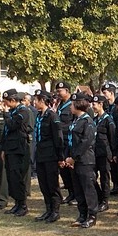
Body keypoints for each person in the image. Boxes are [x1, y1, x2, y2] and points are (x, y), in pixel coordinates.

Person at [62, 91, 98, 227]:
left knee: (88, 189)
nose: (70, 107)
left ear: (78, 105)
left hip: (85, 161)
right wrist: (67, 157)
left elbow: (85, 142)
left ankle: (92, 216)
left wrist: (74, 158)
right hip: (74, 161)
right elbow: (71, 140)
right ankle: (82, 214)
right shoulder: (75, 120)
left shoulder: (87, 121)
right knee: (78, 189)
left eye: (72, 104)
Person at [33, 90, 64, 222]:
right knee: (43, 184)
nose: (34, 102)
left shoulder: (52, 116)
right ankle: (48, 209)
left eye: (36, 100)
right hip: (40, 154)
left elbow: (58, 137)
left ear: (42, 101)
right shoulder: (39, 115)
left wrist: (60, 156)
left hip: (51, 155)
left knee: (52, 184)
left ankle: (55, 211)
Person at [2, 89, 31, 215]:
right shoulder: (13, 111)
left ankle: (22, 205)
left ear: (13, 100)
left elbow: (13, 125)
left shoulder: (23, 111)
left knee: (17, 177)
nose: (5, 105)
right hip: (10, 148)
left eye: (6, 102)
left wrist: (6, 114)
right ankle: (17, 203)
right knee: (11, 177)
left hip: (18, 149)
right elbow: (6, 132)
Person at [91, 94, 117, 213]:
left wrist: (113, 154)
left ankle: (105, 202)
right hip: (95, 153)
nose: (92, 106)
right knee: (92, 176)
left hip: (105, 154)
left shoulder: (108, 120)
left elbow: (113, 139)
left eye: (94, 104)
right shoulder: (95, 119)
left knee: (104, 178)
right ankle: (99, 196)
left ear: (101, 104)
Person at [54, 81, 76, 204]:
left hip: (69, 140)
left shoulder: (72, 104)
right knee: (63, 169)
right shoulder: (60, 104)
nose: (58, 93)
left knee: (70, 169)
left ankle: (76, 194)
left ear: (67, 91)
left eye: (60, 91)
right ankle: (71, 192)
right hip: (60, 140)